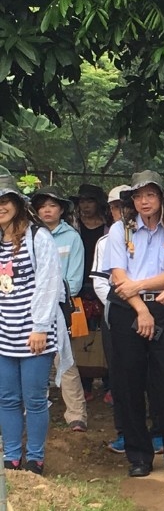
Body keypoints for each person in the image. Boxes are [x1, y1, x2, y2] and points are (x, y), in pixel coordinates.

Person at [102, 171, 164, 478]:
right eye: (138, 196)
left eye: (150, 195)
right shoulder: (119, 230)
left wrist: (141, 288)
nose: (143, 202)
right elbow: (119, 276)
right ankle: (139, 454)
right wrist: (142, 309)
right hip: (129, 309)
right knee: (129, 383)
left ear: (161, 198)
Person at [0, 170, 73, 475]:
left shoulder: (37, 236)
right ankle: (12, 455)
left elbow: (48, 282)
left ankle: (35, 457)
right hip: (4, 332)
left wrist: (39, 327)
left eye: (5, 199)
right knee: (7, 397)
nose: (1, 206)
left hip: (33, 332)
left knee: (34, 398)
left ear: (17, 202)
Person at [31, 186, 88, 432]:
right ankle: (31, 410)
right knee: (30, 361)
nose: (47, 210)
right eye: (42, 206)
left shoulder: (72, 237)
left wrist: (51, 298)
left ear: (61, 210)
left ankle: (76, 415)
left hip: (61, 308)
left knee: (64, 359)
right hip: (29, 310)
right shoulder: (29, 236)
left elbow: (74, 279)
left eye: (52, 205)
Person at [72, 183, 112, 402]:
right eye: (82, 201)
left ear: (99, 204)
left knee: (106, 334)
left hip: (103, 286)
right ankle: (85, 384)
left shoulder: (109, 229)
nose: (85, 206)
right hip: (79, 287)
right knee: (80, 335)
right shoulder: (73, 228)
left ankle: (109, 383)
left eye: (89, 201)